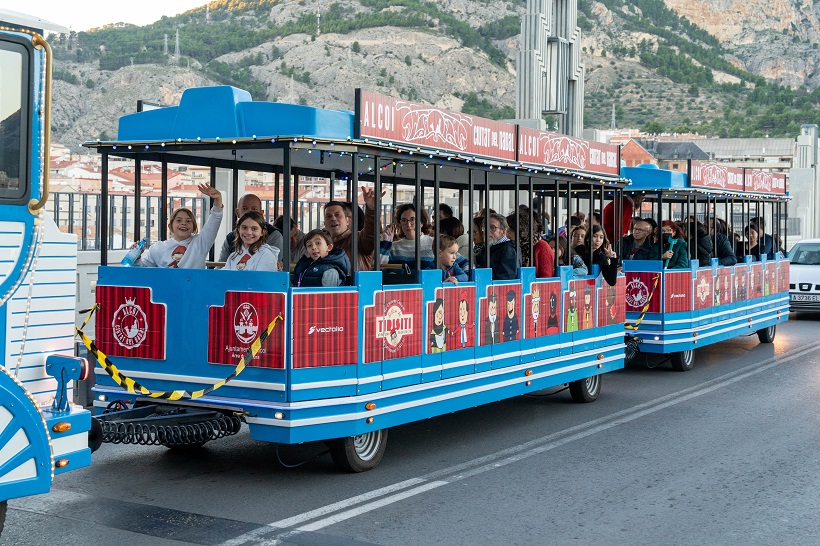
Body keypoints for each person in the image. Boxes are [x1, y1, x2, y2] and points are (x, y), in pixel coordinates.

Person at [138, 184, 224, 268]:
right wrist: (136, 257)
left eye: (188, 221)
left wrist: (218, 198)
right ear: (170, 226)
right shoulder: (157, 248)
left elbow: (215, 219)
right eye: (179, 220)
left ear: (194, 227)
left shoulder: (201, 242)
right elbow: (143, 271)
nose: (183, 223)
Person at [323, 187, 378, 272]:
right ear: (324, 223)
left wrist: (371, 209)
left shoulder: (358, 239)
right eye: (328, 216)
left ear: (347, 220)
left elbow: (371, 234)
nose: (333, 219)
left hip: (354, 285)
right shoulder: (320, 243)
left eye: (338, 215)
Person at [218, 193, 283, 263]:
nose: (249, 212)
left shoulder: (273, 235)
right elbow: (220, 267)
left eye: (254, 209)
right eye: (245, 209)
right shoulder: (230, 238)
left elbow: (271, 267)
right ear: (237, 213)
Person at [380, 203, 435, 270]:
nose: (408, 224)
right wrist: (386, 243)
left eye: (412, 219)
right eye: (404, 220)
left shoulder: (434, 243)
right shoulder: (393, 247)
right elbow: (380, 270)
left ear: (421, 223)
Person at [506, 210, 555, 278]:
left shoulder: (542, 247)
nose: (507, 234)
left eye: (510, 231)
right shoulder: (513, 247)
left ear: (521, 231)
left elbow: (546, 278)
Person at [474, 213, 517, 280]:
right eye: (485, 227)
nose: (487, 231)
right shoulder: (488, 248)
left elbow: (506, 278)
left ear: (503, 232)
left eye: (492, 228)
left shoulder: (507, 250)